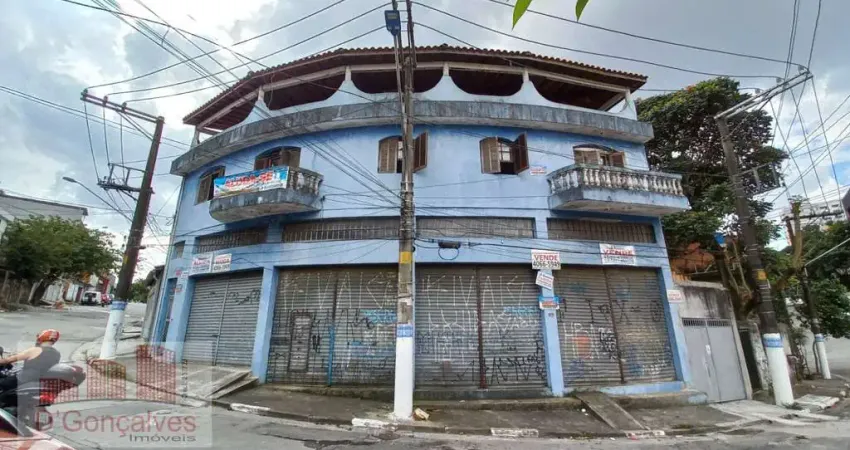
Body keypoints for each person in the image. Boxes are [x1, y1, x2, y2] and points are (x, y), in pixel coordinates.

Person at [0, 329, 61, 394]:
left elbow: (6, 361)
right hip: (38, 380)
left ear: (41, 337)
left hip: (23, 379)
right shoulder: (57, 353)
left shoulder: (35, 350)